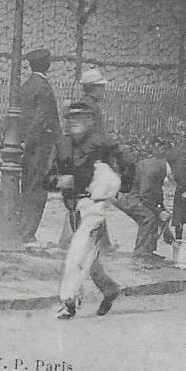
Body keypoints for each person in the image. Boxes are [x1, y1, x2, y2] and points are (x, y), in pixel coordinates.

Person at [46, 101, 129, 320]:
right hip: (73, 208)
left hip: (94, 206)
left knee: (76, 255)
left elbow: (126, 162)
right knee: (86, 255)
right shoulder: (61, 145)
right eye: (71, 119)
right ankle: (109, 288)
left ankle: (68, 303)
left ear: (90, 121)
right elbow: (46, 178)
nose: (75, 123)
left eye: (80, 119)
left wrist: (121, 185)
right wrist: (59, 181)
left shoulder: (102, 143)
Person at [17, 48, 60, 245]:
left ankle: (22, 229)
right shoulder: (44, 88)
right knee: (37, 189)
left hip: (27, 146)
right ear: (46, 65)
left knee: (26, 187)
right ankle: (27, 234)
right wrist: (32, 142)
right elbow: (41, 119)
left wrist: (23, 141)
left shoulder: (25, 86)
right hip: (40, 147)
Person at [113, 156, 169, 265]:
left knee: (154, 215)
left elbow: (156, 195)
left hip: (133, 193)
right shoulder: (154, 169)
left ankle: (147, 252)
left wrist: (162, 211)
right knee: (148, 218)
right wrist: (159, 212)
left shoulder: (160, 168)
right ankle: (139, 256)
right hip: (125, 195)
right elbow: (145, 194)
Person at [166, 121, 186, 267]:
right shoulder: (184, 150)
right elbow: (180, 170)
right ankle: (182, 253)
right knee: (185, 220)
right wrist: (184, 188)